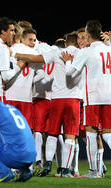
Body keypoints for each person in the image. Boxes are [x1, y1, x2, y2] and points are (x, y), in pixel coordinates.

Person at [61, 20, 111, 178]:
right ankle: (95, 170)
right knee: (108, 133)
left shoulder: (86, 52)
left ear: (88, 35)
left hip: (93, 96)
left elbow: (70, 73)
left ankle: (94, 171)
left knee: (90, 132)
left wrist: (68, 61)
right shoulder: (109, 49)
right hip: (109, 95)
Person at [36, 31, 82, 178]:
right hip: (73, 98)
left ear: (66, 42)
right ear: (77, 41)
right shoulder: (82, 53)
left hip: (56, 98)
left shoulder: (56, 52)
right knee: (70, 136)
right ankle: (65, 169)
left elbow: (38, 58)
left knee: (53, 133)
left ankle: (47, 164)